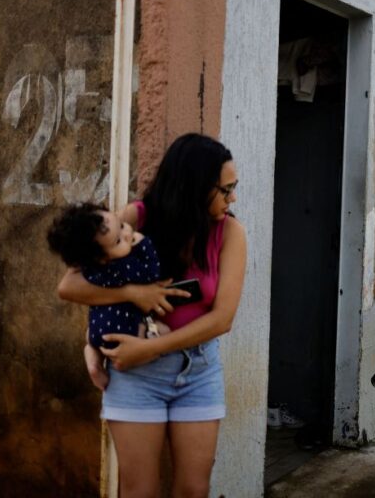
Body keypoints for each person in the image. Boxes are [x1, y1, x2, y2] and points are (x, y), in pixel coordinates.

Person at [57, 133, 247, 498]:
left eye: (233, 188)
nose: (232, 198)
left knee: (193, 490)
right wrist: (134, 293)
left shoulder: (230, 233)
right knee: (139, 491)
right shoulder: (136, 218)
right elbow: (69, 285)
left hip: (198, 371)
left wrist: (151, 348)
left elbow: (223, 319)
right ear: (194, 187)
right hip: (136, 376)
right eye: (225, 190)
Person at [47, 202, 171, 349]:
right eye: (118, 241)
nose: (127, 234)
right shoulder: (120, 267)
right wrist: (142, 242)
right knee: (165, 332)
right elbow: (151, 273)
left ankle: (92, 351)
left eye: (122, 225)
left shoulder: (92, 270)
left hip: (99, 328)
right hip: (123, 330)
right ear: (101, 259)